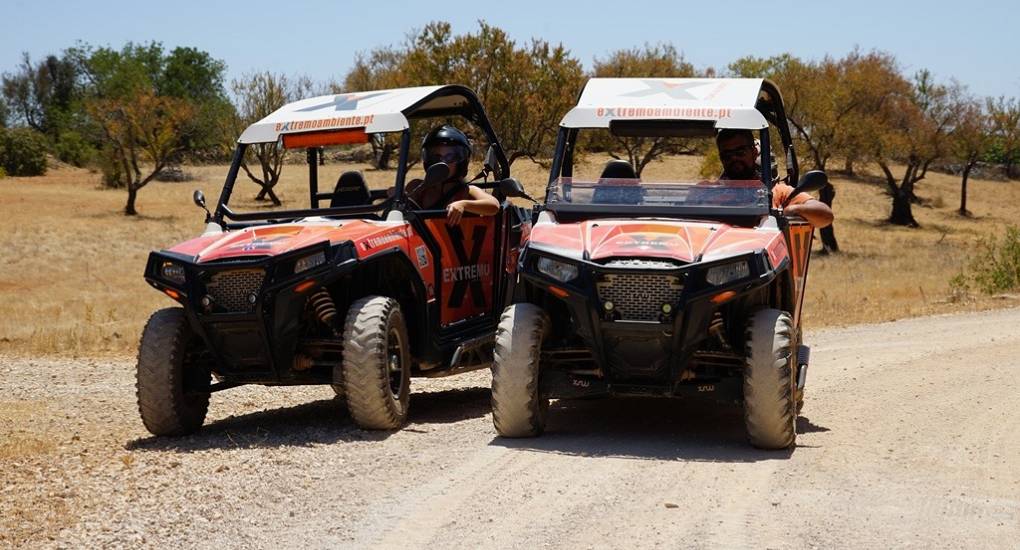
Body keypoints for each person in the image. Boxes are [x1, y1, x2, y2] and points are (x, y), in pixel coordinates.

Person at [717, 129, 834, 228]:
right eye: (727, 155)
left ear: (754, 152)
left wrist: (793, 209)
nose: (734, 158)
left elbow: (826, 216)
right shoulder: (709, 192)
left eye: (740, 152)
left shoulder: (778, 193)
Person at [405, 125, 500, 225]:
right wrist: (396, 197)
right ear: (428, 160)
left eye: (450, 157)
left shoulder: (466, 191)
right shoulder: (417, 188)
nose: (442, 162)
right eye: (436, 157)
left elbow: (494, 206)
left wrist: (464, 204)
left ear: (460, 163)